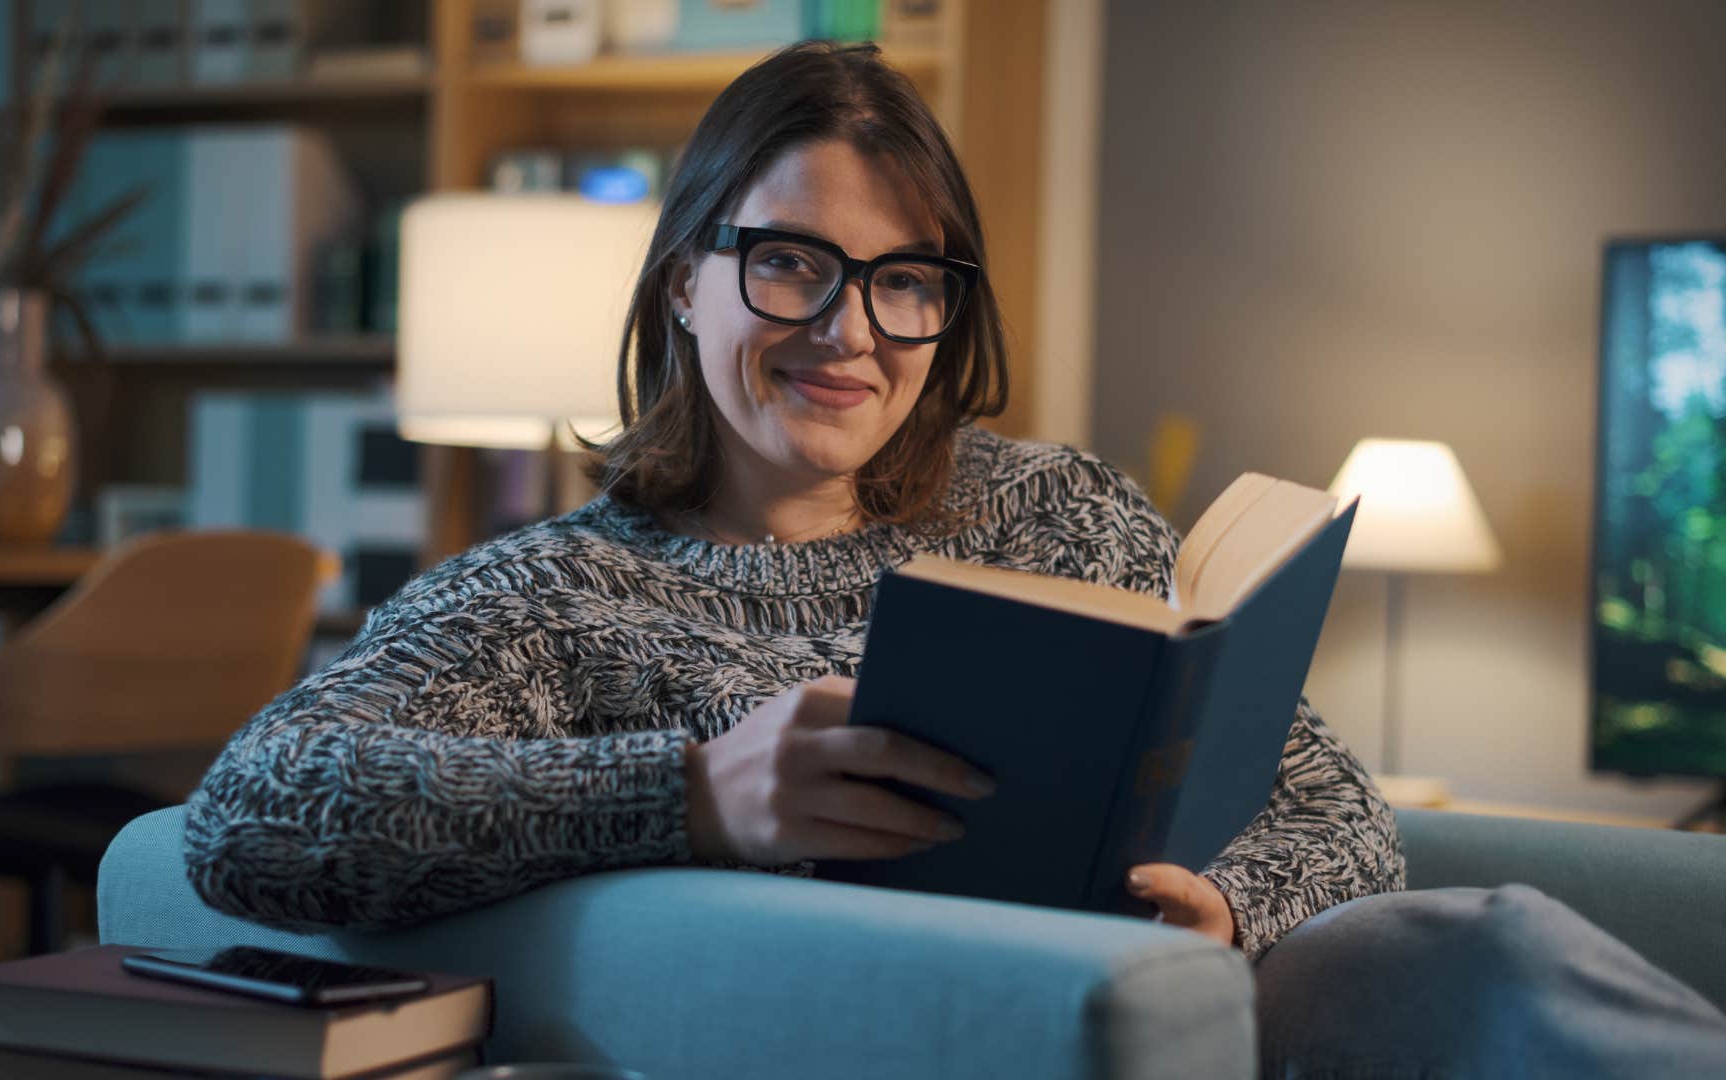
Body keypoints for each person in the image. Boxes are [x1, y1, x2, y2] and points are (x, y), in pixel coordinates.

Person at [184, 41, 1726, 1077]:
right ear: (683, 288)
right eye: (791, 262)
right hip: (922, 1036)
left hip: (1189, 1024)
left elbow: (1333, 807)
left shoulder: (1056, 510)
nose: (850, 330)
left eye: (903, 280)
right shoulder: (555, 595)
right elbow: (249, 815)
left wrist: (1226, 915)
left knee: (1477, 945)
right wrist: (691, 796)